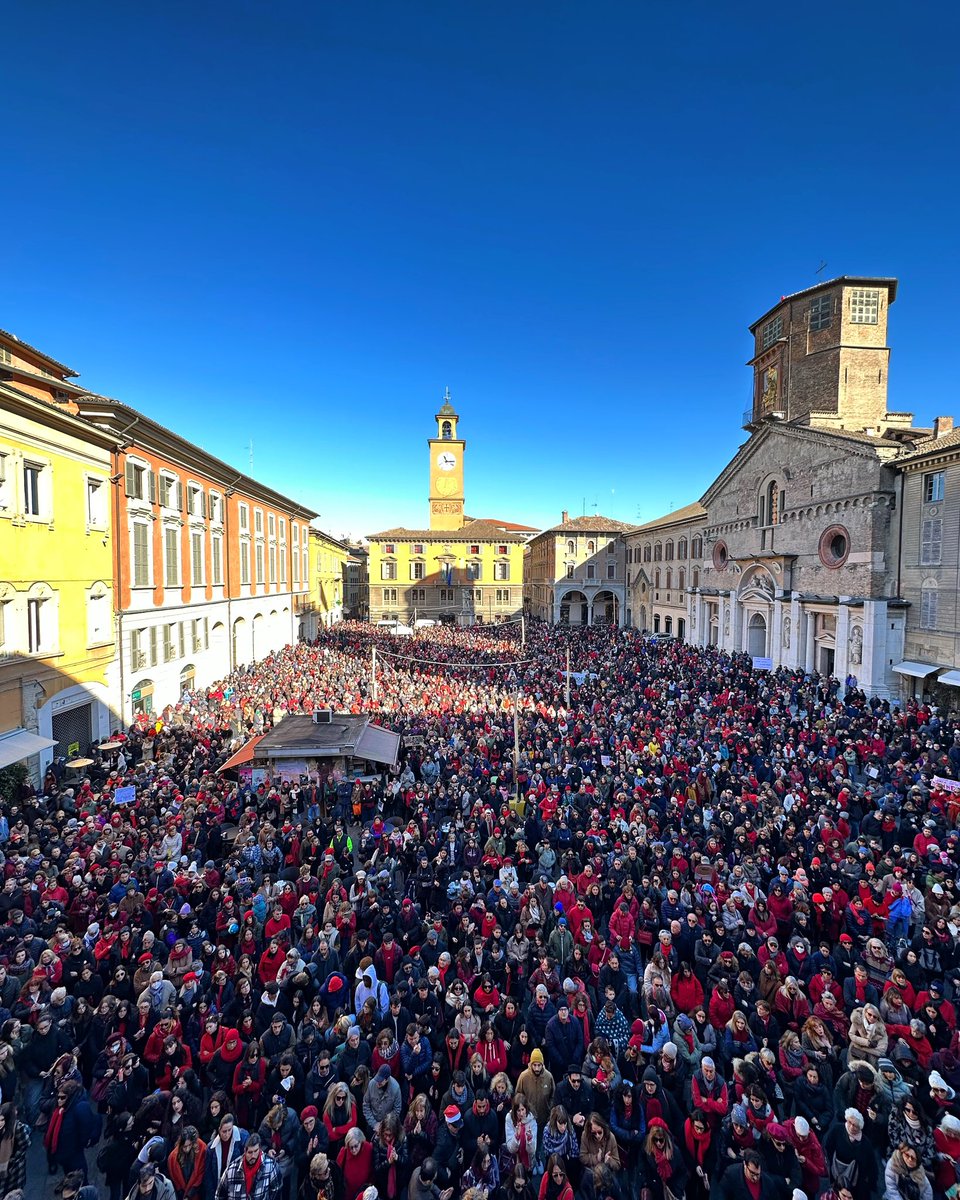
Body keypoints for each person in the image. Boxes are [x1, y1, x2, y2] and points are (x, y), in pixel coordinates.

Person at [214, 1133, 281, 1200]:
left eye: (256, 1151)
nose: (253, 1156)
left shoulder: (270, 1166)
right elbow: (219, 1195)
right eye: (250, 1152)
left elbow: (276, 1190)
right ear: (245, 1151)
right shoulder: (232, 1169)